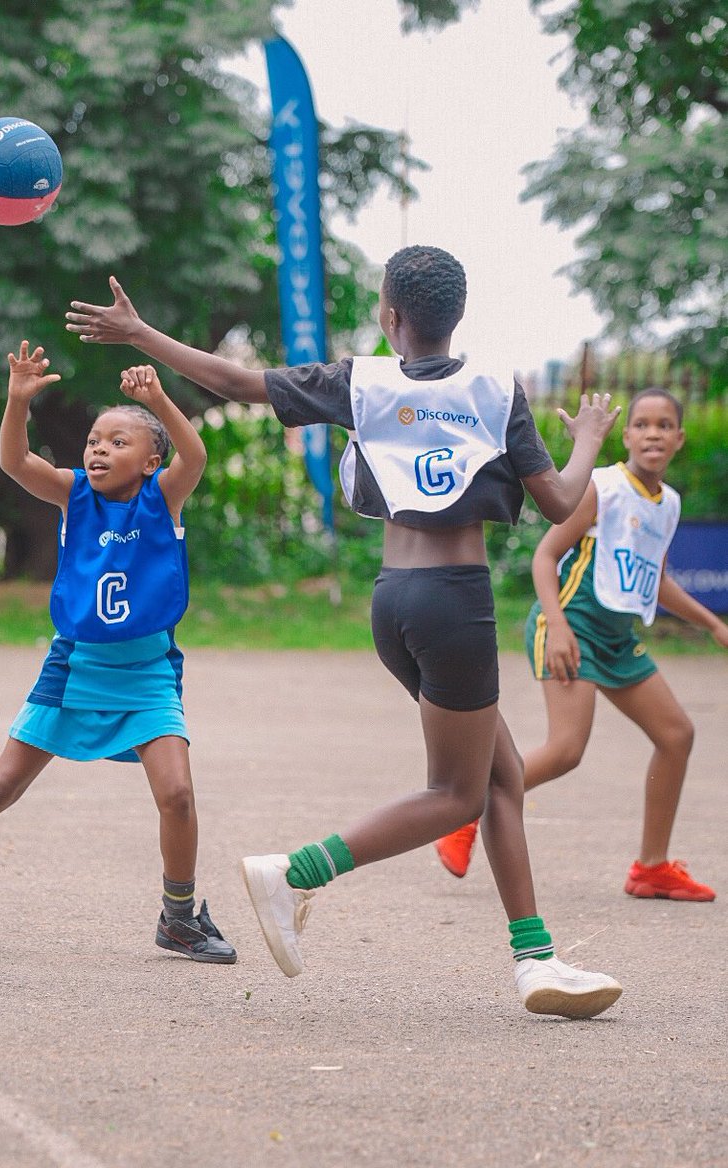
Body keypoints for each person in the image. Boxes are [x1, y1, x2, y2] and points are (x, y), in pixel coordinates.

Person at [65, 245, 625, 1018]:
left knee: (501, 776)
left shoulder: (363, 380)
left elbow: (231, 380)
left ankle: (535, 959)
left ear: (391, 315)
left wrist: (140, 333)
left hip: (393, 602)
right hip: (456, 603)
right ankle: (295, 871)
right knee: (457, 792)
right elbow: (563, 504)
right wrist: (590, 436)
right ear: (455, 316)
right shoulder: (499, 391)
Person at [0, 352, 236, 965]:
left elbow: (197, 456)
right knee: (1, 785)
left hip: (146, 671)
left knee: (178, 796)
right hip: (75, 665)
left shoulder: (164, 498)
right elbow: (13, 461)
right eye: (93, 440)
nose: (99, 450)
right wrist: (18, 399)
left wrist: (161, 402)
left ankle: (179, 918)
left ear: (150, 461)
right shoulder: (72, 494)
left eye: (118, 441)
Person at [436, 388, 726, 899]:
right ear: (628, 434)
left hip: (616, 638)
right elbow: (545, 557)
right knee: (567, 749)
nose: (652, 433)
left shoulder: (668, 503)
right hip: (568, 627)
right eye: (642, 424)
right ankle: (465, 812)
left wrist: (712, 624)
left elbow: (656, 580)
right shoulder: (604, 487)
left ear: (679, 438)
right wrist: (559, 627)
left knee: (677, 735)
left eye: (663, 425)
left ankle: (651, 868)